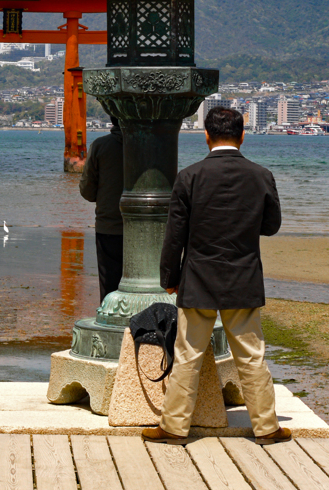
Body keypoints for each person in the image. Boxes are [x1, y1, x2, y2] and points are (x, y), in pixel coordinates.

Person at [142, 106, 291, 445]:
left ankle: (174, 428)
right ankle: (267, 428)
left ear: (206, 136)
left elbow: (174, 235)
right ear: (242, 135)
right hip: (243, 278)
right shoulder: (261, 175)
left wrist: (169, 275)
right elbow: (271, 226)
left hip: (197, 279)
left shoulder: (189, 176)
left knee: (187, 357)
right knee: (252, 358)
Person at [79, 113, 123, 302]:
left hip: (109, 224)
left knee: (109, 286)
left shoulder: (100, 146)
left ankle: (110, 326)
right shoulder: (152, 145)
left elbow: (87, 191)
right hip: (147, 229)